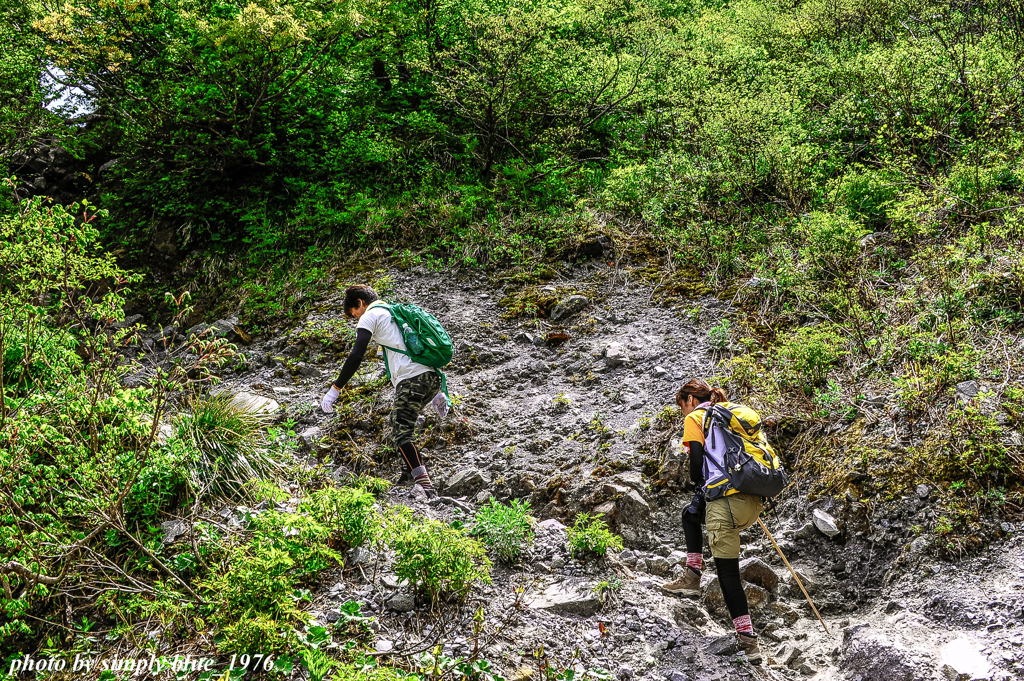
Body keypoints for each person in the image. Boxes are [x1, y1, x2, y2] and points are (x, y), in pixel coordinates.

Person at [661, 378, 764, 664]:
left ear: (690, 400)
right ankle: (692, 575)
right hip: (752, 499)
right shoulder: (731, 414)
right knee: (691, 513)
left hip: (725, 503)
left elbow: (696, 465)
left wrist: (699, 480)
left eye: (681, 406)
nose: (682, 412)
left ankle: (748, 643)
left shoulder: (696, 417)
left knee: (728, 575)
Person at [320, 285, 442, 498]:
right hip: (430, 377)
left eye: (353, 313)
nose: (355, 318)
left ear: (360, 303)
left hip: (411, 378)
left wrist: (336, 388)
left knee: (400, 430)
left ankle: (425, 485)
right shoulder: (394, 312)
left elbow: (356, 356)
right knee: (401, 424)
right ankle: (408, 474)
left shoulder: (370, 316)